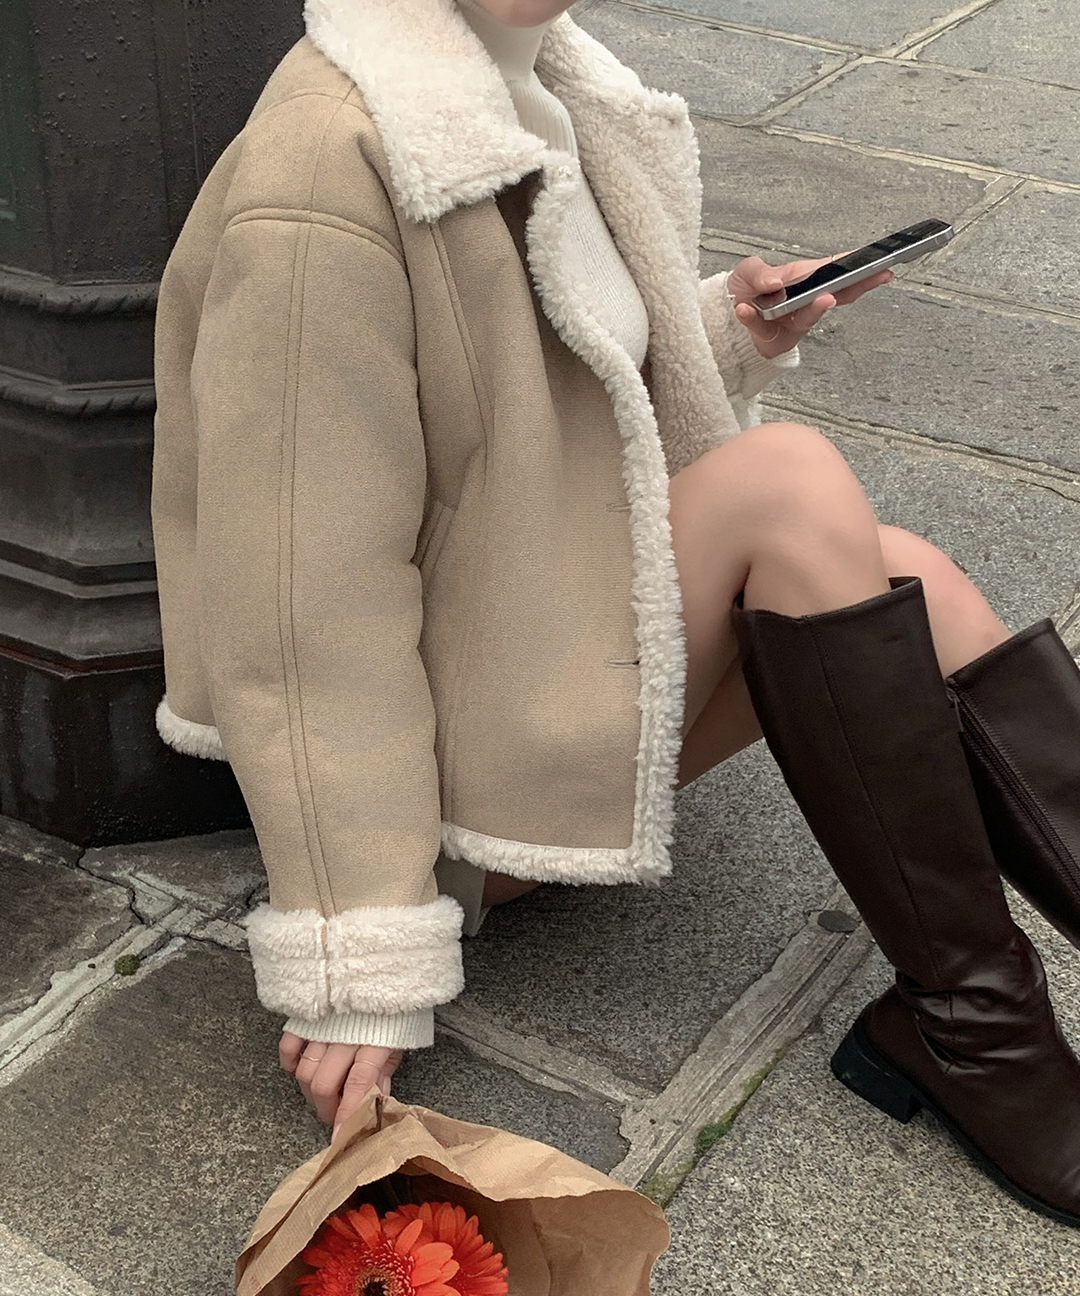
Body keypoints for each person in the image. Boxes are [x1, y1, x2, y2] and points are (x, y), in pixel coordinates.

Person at [150, 0, 1080, 1226]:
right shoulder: (326, 161)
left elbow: (535, 383)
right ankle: (978, 1036)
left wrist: (726, 335)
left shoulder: (533, 76)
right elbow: (297, 602)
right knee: (788, 484)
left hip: (528, 654)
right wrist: (359, 960)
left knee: (907, 575)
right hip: (427, 804)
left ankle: (957, 1025)